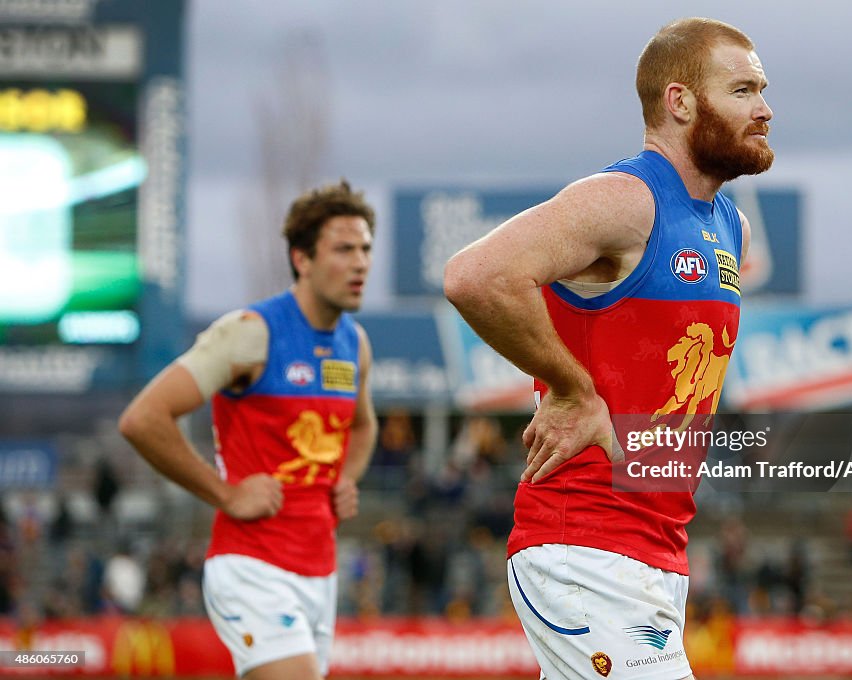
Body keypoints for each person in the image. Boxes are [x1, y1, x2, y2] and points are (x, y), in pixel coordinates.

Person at [444, 17, 773, 680]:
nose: (765, 109)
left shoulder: (729, 227)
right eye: (742, 90)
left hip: (654, 556)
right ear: (680, 102)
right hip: (585, 548)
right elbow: (474, 276)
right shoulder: (627, 199)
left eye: (763, 90)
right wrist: (571, 387)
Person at [119, 179, 378, 680]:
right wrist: (226, 494)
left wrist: (347, 477)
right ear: (301, 259)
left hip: (320, 572)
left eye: (366, 248)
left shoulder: (355, 343)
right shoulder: (249, 333)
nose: (362, 262)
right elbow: (143, 419)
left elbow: (364, 427)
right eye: (344, 249)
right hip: (252, 567)